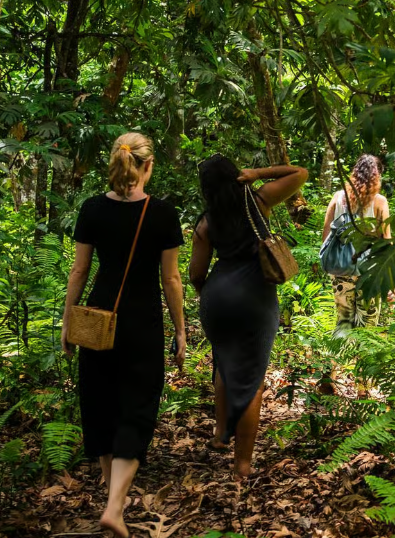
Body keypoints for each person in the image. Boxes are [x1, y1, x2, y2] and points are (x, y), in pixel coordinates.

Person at [62, 132, 186, 538]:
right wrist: (180, 330)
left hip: (98, 317)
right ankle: (114, 506)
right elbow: (170, 279)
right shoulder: (163, 214)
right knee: (137, 405)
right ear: (148, 166)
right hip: (141, 321)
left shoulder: (92, 209)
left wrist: (67, 321)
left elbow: (79, 270)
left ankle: (109, 489)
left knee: (100, 400)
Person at [189, 155, 307, 481]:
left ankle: (219, 434)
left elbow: (196, 274)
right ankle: (242, 465)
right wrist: (258, 173)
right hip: (255, 297)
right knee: (251, 380)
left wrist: (211, 295)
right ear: (236, 177)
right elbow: (300, 171)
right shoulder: (259, 200)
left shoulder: (205, 223)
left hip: (217, 299)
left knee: (224, 361)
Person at [321, 154, 390, 334]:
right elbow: (386, 240)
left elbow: (326, 235)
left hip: (341, 269)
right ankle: (362, 353)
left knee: (344, 321)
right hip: (369, 271)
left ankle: (341, 352)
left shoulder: (338, 197)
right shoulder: (380, 202)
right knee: (367, 326)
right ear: (377, 176)